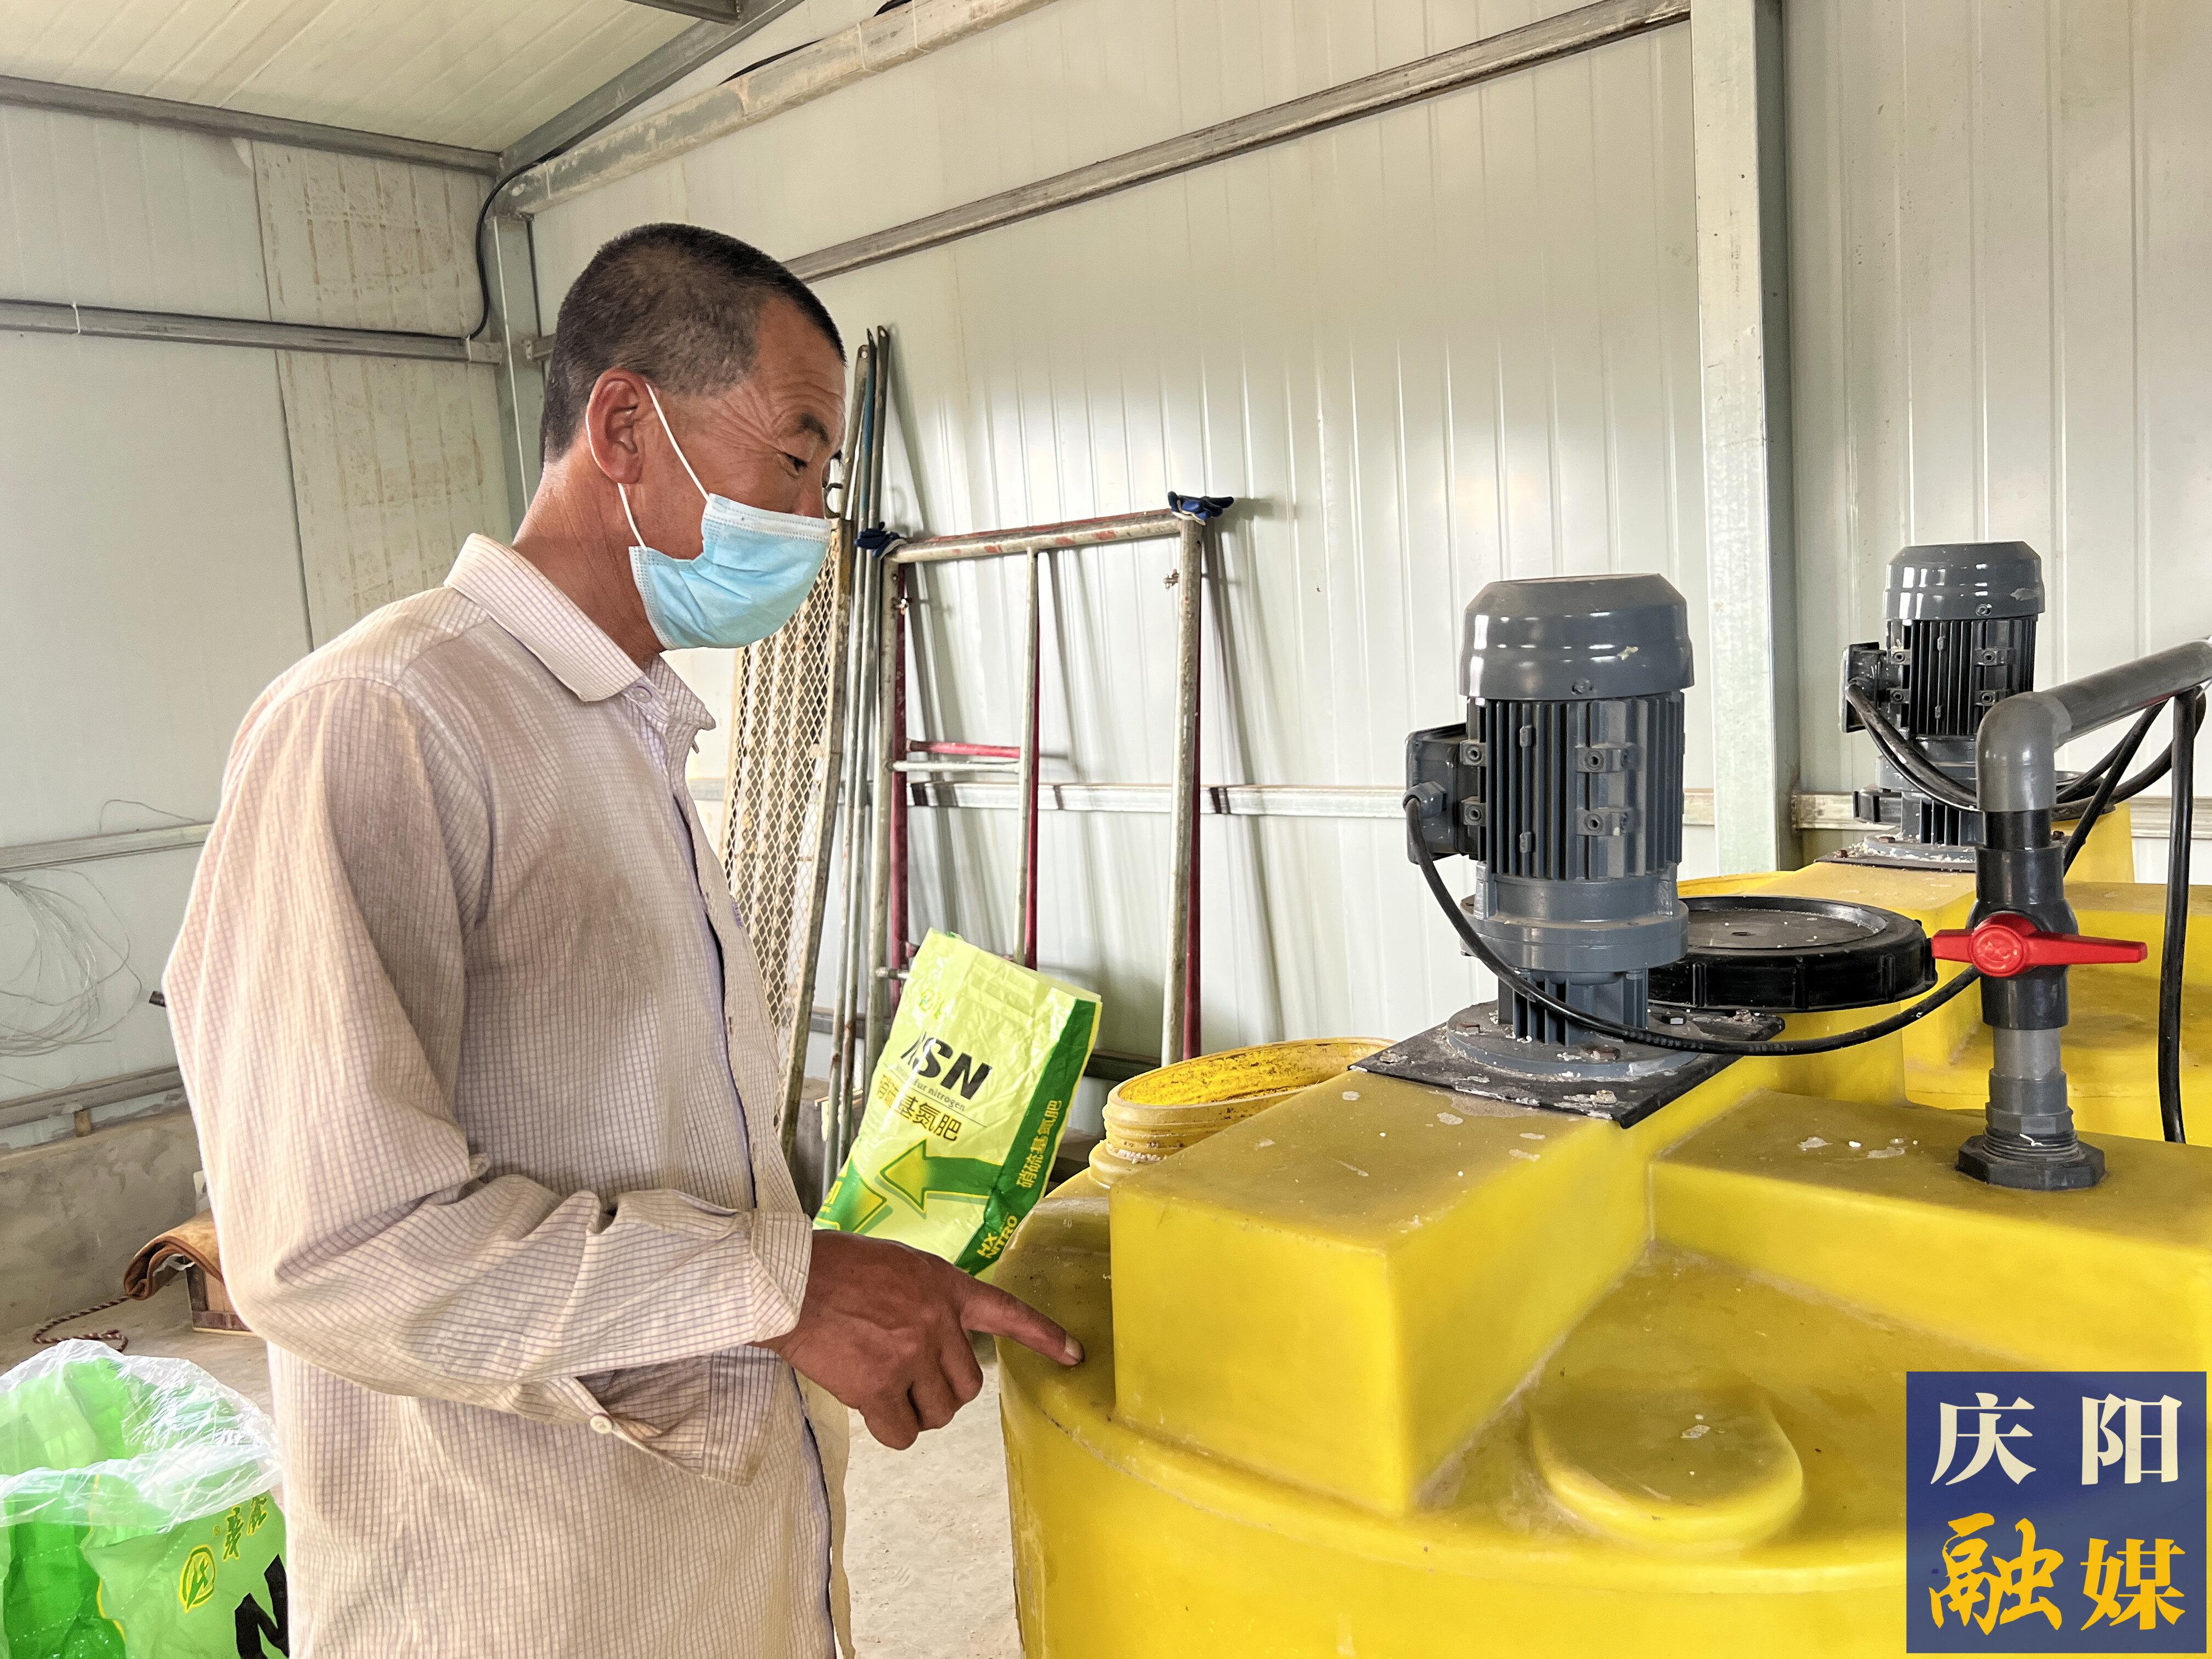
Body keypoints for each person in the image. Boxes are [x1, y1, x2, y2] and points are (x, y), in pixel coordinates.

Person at [163, 222, 1081, 1657]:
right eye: (795, 461)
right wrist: (778, 1287)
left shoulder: (624, 732)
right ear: (624, 429)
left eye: (826, 482)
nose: (813, 522)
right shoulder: (385, 720)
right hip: (521, 1598)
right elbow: (328, 1248)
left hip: (706, 1576)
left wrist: (810, 1287)